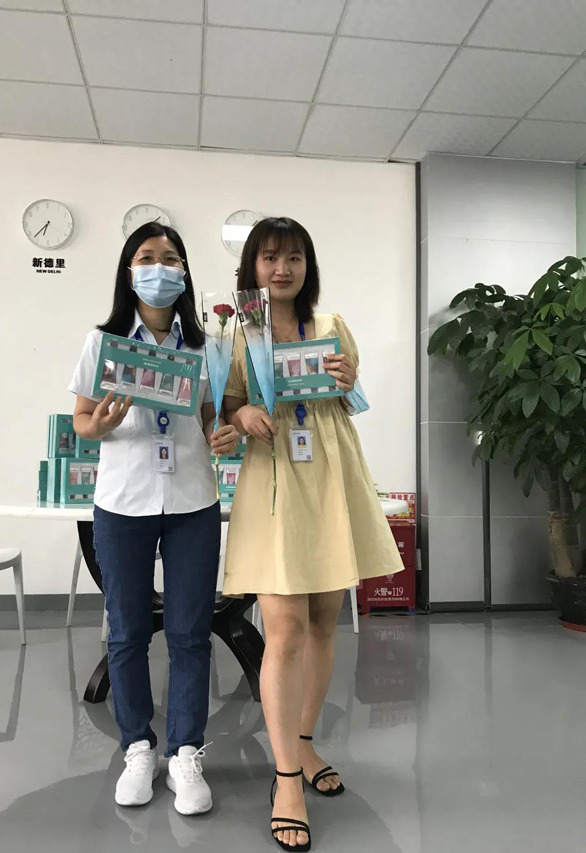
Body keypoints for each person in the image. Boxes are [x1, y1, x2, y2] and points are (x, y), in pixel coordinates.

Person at [223, 217, 403, 851]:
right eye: (270, 257)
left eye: (294, 257)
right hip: (274, 480)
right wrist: (243, 411)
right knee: (285, 629)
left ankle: (304, 744)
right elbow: (225, 406)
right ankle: (285, 780)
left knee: (325, 623)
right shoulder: (236, 334)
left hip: (329, 476)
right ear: (252, 267)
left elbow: (350, 397)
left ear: (308, 266)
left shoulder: (332, 325)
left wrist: (349, 382)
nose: (282, 268)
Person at [69, 222, 238, 815]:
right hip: (123, 502)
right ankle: (137, 748)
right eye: (147, 257)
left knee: (191, 632)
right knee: (127, 632)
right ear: (129, 271)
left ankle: (185, 752)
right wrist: (99, 425)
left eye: (170, 258)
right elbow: (82, 420)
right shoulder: (104, 341)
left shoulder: (206, 345)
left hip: (192, 500)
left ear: (185, 272)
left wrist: (222, 433)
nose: (159, 268)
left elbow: (214, 416)